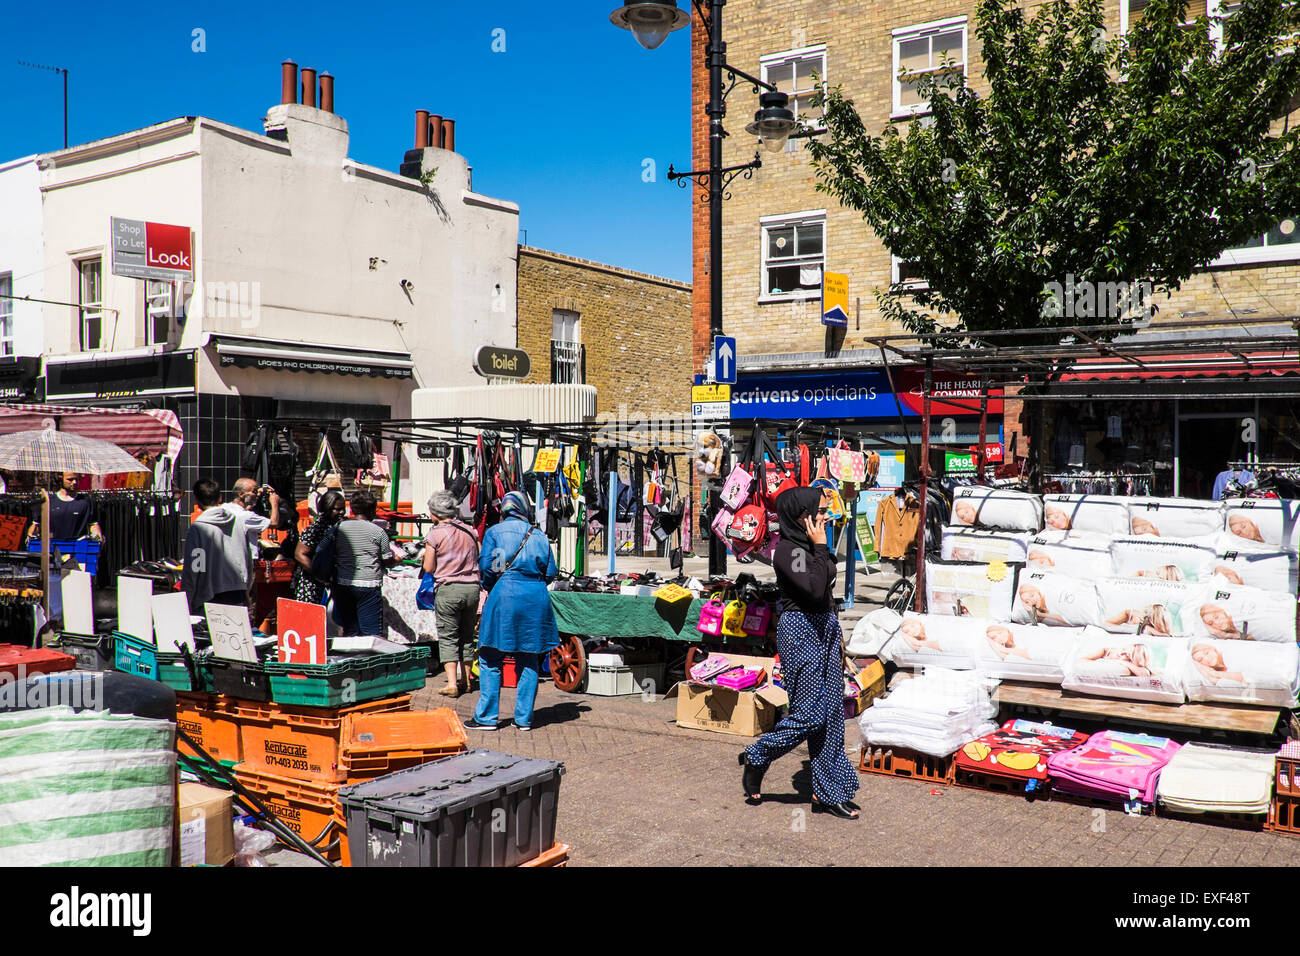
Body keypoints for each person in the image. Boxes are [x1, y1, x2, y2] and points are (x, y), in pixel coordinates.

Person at [739, 486, 861, 820]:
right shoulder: (787, 550)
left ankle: (828, 791)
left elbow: (824, 588)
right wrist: (821, 547)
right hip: (800, 631)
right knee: (810, 715)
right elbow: (813, 587)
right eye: (820, 510)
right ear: (800, 515)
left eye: (825, 510)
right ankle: (758, 755)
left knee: (833, 713)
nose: (826, 516)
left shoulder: (810, 546)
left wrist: (837, 637)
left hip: (825, 628)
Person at [470, 490, 559, 731]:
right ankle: (524, 719)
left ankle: (487, 718)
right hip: (535, 597)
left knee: (490, 655)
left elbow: (491, 568)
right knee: (528, 657)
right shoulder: (539, 535)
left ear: (505, 509)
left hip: (505, 595)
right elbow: (551, 572)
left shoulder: (495, 533)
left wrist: (494, 585)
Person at [183, 477, 281, 611]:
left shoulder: (198, 528)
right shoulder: (238, 522)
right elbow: (246, 557)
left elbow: (195, 567)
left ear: (197, 500)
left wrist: (187, 600)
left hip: (209, 594)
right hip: (237, 591)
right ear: (220, 498)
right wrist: (246, 590)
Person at [423, 489, 482, 698]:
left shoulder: (435, 534)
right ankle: (466, 680)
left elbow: (428, 567)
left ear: (434, 513)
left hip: (448, 589)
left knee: (448, 636)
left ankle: (451, 683)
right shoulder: (470, 531)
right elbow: (479, 556)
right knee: (467, 636)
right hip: (472, 589)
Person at [332, 491, 395, 636]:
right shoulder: (379, 532)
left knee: (350, 630)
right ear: (372, 510)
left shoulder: (338, 529)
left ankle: (349, 658)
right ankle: (369, 659)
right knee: (371, 632)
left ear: (352, 510)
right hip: (369, 585)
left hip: (344, 584)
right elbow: (387, 560)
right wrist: (397, 560)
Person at [291, 490, 346, 605]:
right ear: (327, 509)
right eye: (337, 509)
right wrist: (320, 576)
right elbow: (300, 554)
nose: (342, 512)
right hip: (313, 586)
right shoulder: (315, 529)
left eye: (343, 509)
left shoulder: (339, 527)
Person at [33, 472, 103, 543]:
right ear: (61, 478)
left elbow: (93, 524)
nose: (75, 482)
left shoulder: (86, 502)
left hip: (77, 548)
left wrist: (97, 537)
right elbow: (36, 525)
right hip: (52, 547)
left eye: (77, 479)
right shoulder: (48, 501)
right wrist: (31, 536)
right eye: (70, 479)